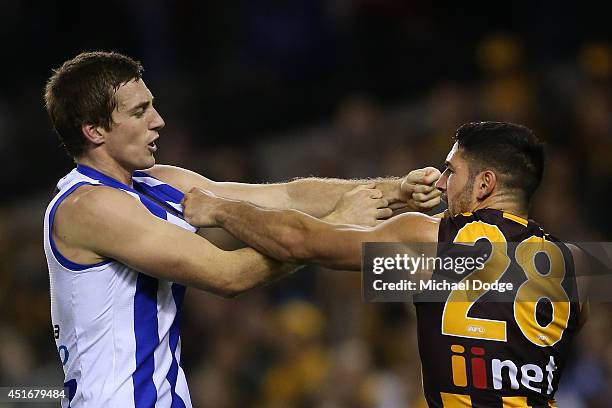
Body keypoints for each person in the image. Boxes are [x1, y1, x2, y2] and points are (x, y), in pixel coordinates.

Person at [42, 51, 440, 407]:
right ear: (93, 130)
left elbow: (287, 196)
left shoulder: (156, 181)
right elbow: (229, 275)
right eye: (138, 112)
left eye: (153, 106)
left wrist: (395, 190)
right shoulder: (88, 207)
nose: (158, 121)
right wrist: (336, 223)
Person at [183, 121, 587, 407]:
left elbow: (297, 241)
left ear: (485, 184)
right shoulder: (575, 268)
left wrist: (219, 209)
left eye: (452, 171)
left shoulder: (431, 240)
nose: (442, 183)